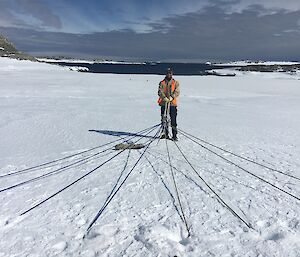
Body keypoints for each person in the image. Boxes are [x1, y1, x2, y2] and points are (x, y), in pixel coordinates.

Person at [157, 68, 180, 141]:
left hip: (172, 104)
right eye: (168, 73)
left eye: (170, 73)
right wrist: (164, 98)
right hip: (164, 103)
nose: (169, 74)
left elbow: (177, 91)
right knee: (164, 119)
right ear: (166, 74)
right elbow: (160, 91)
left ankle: (174, 135)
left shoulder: (175, 82)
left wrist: (172, 97)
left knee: (173, 120)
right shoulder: (162, 82)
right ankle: (165, 133)